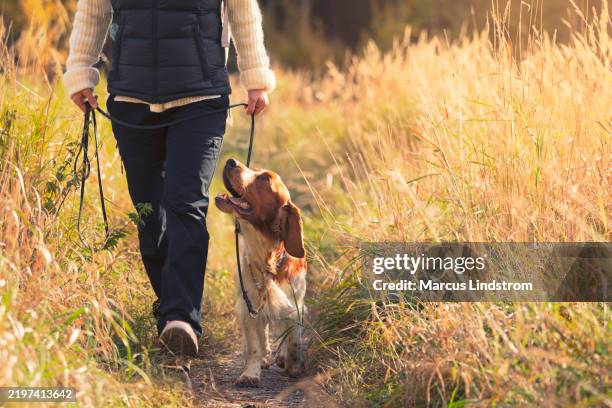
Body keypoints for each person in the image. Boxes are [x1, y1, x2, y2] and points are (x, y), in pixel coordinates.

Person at [63, 0, 275, 356]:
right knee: (148, 212)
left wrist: (255, 78)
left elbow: (242, 10)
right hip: (131, 99)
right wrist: (80, 71)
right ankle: (169, 311)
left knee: (185, 202)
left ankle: (182, 319)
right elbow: (94, 11)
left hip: (201, 97)